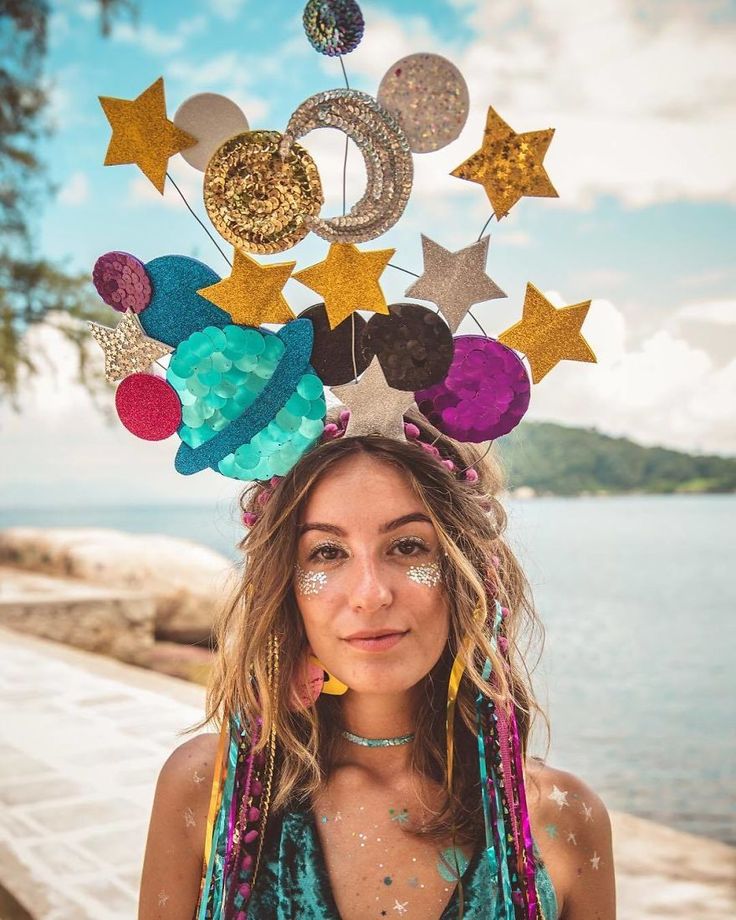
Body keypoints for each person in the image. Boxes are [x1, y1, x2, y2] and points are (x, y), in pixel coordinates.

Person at [138, 411, 616, 919]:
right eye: (326, 552)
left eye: (408, 546)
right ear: (285, 588)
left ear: (467, 574)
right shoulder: (205, 787)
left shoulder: (560, 818)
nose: (370, 594)